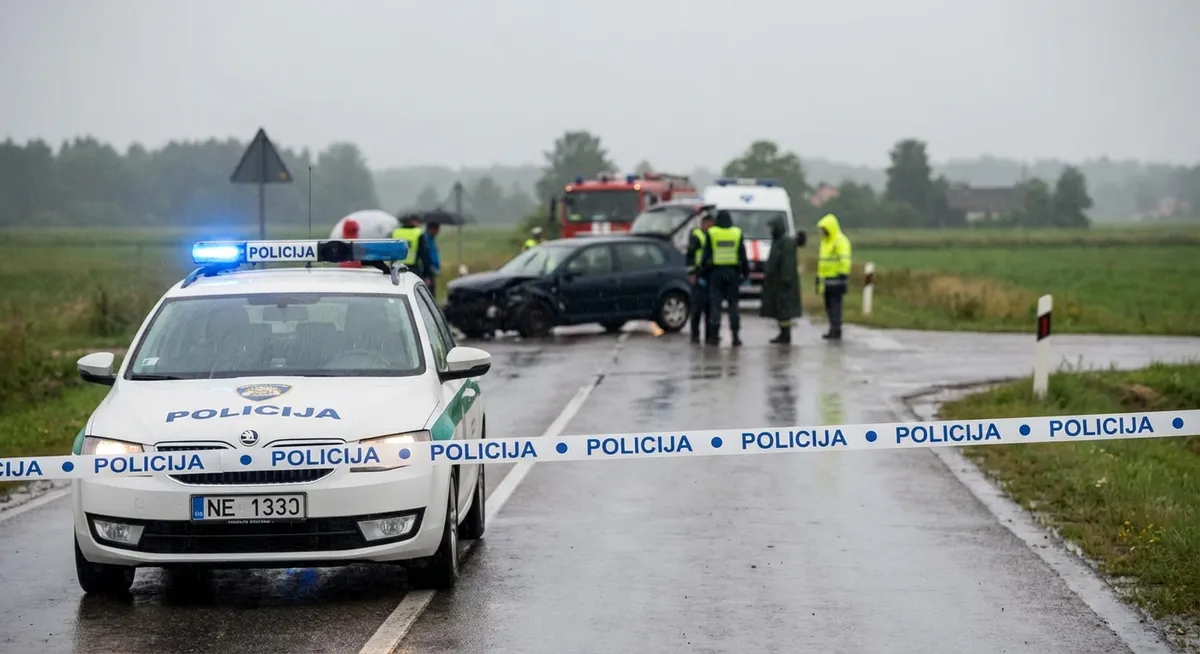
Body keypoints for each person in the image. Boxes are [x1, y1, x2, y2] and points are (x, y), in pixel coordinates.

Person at [700, 209, 749, 347]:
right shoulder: (737, 233)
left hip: (716, 273)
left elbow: (706, 255)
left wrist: (703, 273)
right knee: (733, 306)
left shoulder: (712, 233)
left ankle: (714, 337)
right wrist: (745, 274)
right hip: (733, 273)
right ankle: (736, 337)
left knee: (716, 306)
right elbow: (742, 255)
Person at [761, 216, 801, 344]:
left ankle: (785, 334)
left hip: (783, 282)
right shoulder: (777, 241)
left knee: (784, 310)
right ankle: (783, 333)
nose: (770, 230)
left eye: (772, 227)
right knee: (779, 309)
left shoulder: (786, 242)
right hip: (776, 281)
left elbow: (788, 263)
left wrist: (786, 279)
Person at [815, 213, 852, 340]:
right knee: (829, 306)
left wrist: (843, 275)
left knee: (835, 306)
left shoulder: (840, 240)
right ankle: (832, 327)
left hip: (837, 279)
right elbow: (822, 262)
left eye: (824, 229)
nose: (823, 231)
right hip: (826, 280)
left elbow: (845, 259)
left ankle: (836, 330)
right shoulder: (825, 242)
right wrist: (818, 277)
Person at [685, 210, 715, 343]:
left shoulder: (714, 234)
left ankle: (709, 336)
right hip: (698, 274)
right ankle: (695, 335)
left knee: (710, 308)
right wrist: (691, 273)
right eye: (708, 223)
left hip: (710, 274)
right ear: (704, 223)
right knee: (697, 308)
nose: (710, 225)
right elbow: (690, 255)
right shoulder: (696, 235)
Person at [391, 213, 433, 287]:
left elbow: (390, 253)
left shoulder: (395, 232)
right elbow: (425, 256)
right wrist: (427, 275)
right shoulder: (418, 233)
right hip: (413, 270)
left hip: (396, 270)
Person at [423, 220, 442, 296]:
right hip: (429, 270)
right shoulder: (426, 239)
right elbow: (427, 256)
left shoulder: (431, 239)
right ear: (432, 228)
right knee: (430, 293)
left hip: (432, 269)